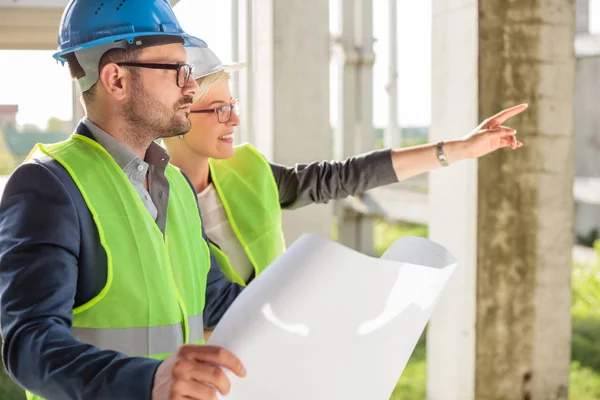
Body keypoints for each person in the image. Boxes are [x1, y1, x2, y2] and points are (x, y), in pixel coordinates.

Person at [0, 1, 246, 399]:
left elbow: (217, 299)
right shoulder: (48, 186)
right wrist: (148, 382)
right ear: (115, 80)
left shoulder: (176, 186)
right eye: (177, 71)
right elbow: (29, 345)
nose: (192, 87)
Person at [163, 47, 527, 290]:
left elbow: (344, 176)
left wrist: (458, 150)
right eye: (219, 110)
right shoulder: (149, 199)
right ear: (179, 116)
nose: (235, 119)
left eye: (233, 104)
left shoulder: (247, 169)